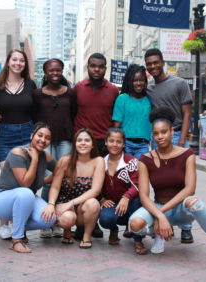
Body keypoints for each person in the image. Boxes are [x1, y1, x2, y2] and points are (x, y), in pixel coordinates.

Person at [129, 107, 206, 268]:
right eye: (156, 133)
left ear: (172, 132)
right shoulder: (145, 160)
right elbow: (145, 196)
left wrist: (161, 215)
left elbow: (190, 189)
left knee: (195, 202)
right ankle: (157, 234)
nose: (160, 137)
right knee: (135, 224)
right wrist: (160, 216)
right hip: (159, 206)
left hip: (181, 210)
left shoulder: (186, 154)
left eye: (164, 132)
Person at [144, 48, 194, 244]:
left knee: (182, 183)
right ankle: (165, 221)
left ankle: (187, 228)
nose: (153, 66)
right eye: (149, 64)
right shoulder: (149, 89)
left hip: (177, 136)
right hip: (157, 138)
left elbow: (188, 113)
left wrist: (181, 142)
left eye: (156, 62)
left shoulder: (180, 83)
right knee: (161, 182)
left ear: (163, 62)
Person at [0, 123, 57, 253]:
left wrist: (45, 180)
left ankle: (19, 225)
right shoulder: (17, 152)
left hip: (24, 198)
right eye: (39, 135)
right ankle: (16, 240)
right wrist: (34, 160)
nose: (43, 140)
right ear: (31, 136)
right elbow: (25, 183)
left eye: (47, 138)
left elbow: (60, 170)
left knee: (49, 219)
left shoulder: (45, 156)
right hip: (0, 199)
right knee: (26, 192)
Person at [0, 49, 37, 239]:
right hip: (5, 135)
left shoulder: (31, 85)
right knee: (8, 180)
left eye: (21, 61)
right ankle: (4, 223)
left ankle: (18, 225)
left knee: (23, 181)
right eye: (14, 60)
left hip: (27, 133)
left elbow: (36, 111)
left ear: (24, 64)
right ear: (8, 62)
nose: (18, 63)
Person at [73, 53, 119, 238]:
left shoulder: (113, 90)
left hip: (102, 142)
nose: (96, 69)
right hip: (83, 142)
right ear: (88, 67)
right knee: (80, 182)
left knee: (99, 184)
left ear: (105, 68)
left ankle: (94, 221)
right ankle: (80, 223)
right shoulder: (78, 88)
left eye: (100, 66)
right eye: (93, 66)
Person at [33, 58, 77, 238]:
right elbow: (34, 117)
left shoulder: (70, 93)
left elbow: (73, 114)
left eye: (58, 70)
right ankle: (46, 221)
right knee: (48, 179)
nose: (55, 73)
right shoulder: (37, 94)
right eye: (51, 70)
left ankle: (59, 221)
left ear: (62, 71)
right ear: (45, 72)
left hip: (65, 140)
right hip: (46, 142)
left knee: (63, 179)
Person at [42, 128, 105, 248]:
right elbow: (55, 186)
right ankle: (67, 232)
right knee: (67, 218)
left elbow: (96, 190)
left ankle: (86, 237)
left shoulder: (98, 161)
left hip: (82, 206)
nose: (83, 143)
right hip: (63, 204)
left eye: (87, 140)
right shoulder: (65, 160)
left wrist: (71, 203)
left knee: (93, 204)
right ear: (75, 144)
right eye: (79, 140)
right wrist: (51, 204)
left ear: (92, 145)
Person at [98, 128, 147, 255]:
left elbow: (138, 184)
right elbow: (95, 185)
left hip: (130, 204)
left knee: (137, 200)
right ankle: (113, 231)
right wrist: (102, 199)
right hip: (113, 205)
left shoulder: (131, 161)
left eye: (118, 142)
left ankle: (137, 239)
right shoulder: (100, 163)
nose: (115, 144)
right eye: (111, 141)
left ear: (124, 144)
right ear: (106, 142)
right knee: (105, 219)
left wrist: (126, 197)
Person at [112, 64, 152, 159]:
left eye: (141, 80)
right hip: (126, 144)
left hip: (143, 145)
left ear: (145, 81)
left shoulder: (149, 99)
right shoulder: (122, 99)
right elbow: (116, 126)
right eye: (135, 80)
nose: (138, 83)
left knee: (140, 172)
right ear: (130, 81)